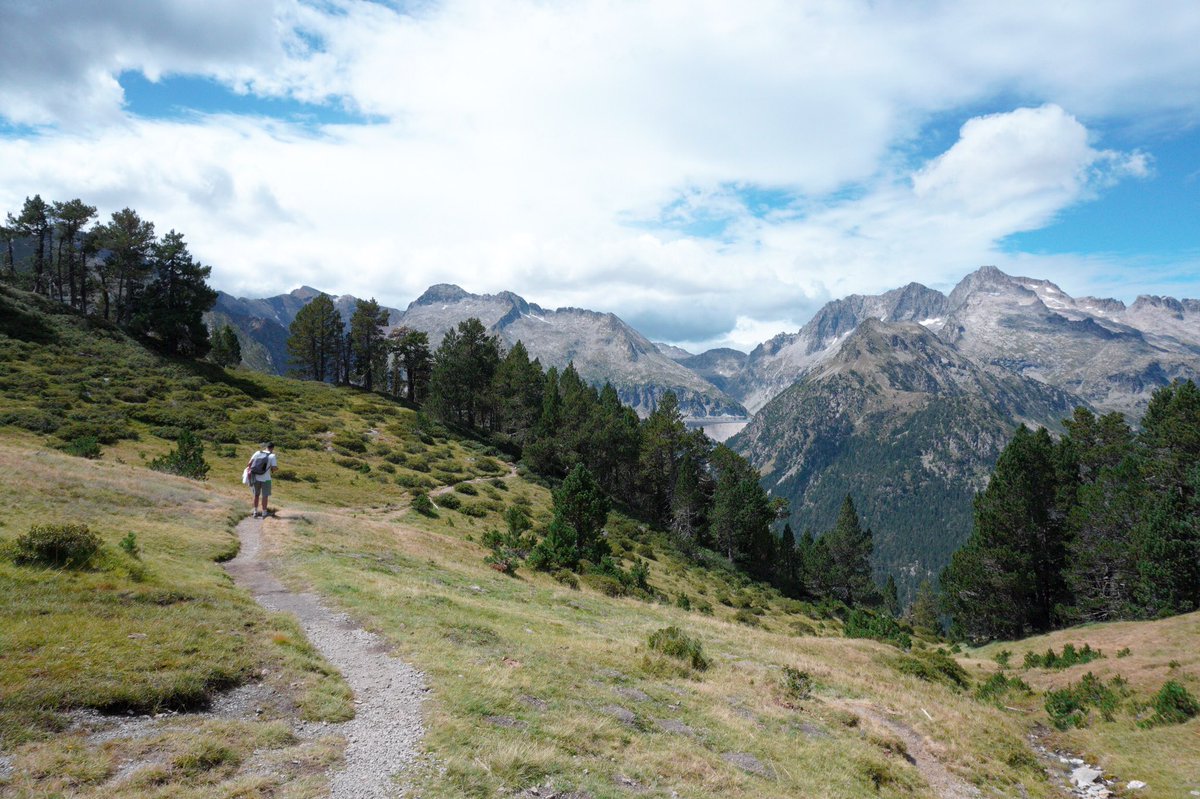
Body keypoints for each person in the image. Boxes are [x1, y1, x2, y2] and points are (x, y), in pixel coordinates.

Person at [246, 442, 278, 518]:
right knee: (265, 496)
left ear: (266, 447)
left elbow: (249, 464)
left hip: (256, 478)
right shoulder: (272, 456)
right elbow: (274, 468)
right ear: (272, 448)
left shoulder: (257, 453)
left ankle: (255, 512)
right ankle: (264, 513)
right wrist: (275, 469)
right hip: (266, 479)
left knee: (256, 495)